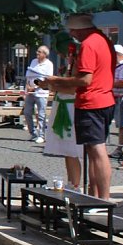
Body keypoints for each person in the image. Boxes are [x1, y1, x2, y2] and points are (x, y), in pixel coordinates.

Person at [40, 14, 115, 199]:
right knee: (93, 150)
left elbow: (84, 80)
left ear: (80, 29)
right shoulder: (104, 40)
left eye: (73, 30)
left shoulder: (89, 44)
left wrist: (55, 80)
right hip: (105, 99)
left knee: (97, 150)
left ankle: (103, 199)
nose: (73, 34)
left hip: (91, 102)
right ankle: (95, 195)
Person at [44, 32, 83, 191]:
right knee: (67, 151)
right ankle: (71, 183)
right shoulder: (71, 61)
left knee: (72, 149)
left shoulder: (78, 61)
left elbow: (74, 88)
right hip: (63, 105)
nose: (60, 55)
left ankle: (75, 185)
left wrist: (54, 84)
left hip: (70, 107)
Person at [23, 45, 53, 144]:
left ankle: (42, 135)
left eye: (39, 52)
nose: (37, 53)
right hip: (30, 92)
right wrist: (27, 86)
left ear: (44, 54)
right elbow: (28, 75)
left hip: (41, 92)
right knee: (27, 112)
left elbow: (47, 79)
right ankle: (33, 133)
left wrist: (35, 87)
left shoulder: (49, 64)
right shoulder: (33, 62)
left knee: (41, 114)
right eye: (37, 51)